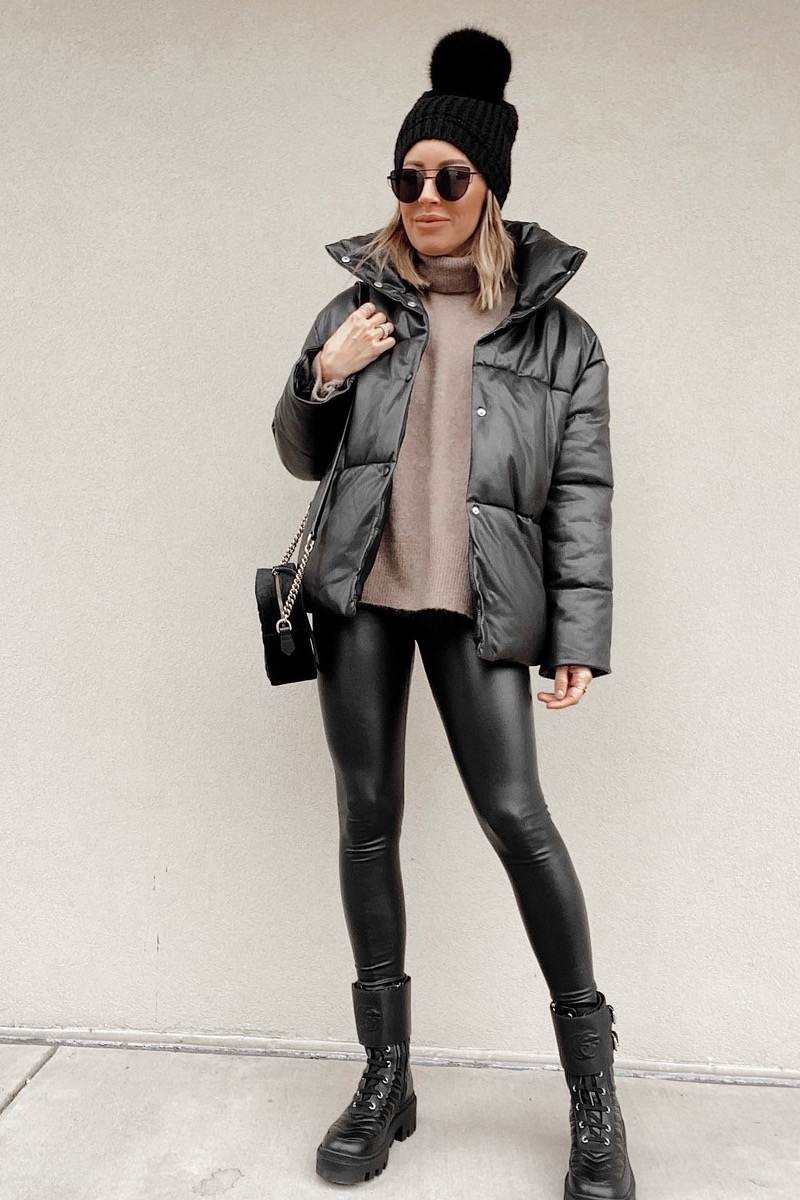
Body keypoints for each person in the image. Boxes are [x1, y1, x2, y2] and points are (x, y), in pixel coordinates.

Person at [272, 26, 636, 1200]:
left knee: (517, 819)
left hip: (477, 608)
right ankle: (385, 1078)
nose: (423, 197)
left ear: (489, 189)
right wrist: (325, 372)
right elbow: (299, 453)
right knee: (366, 821)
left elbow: (578, 493)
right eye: (406, 176)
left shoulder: (558, 339)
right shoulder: (354, 308)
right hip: (361, 602)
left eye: (448, 177)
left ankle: (592, 1098)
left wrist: (577, 636)